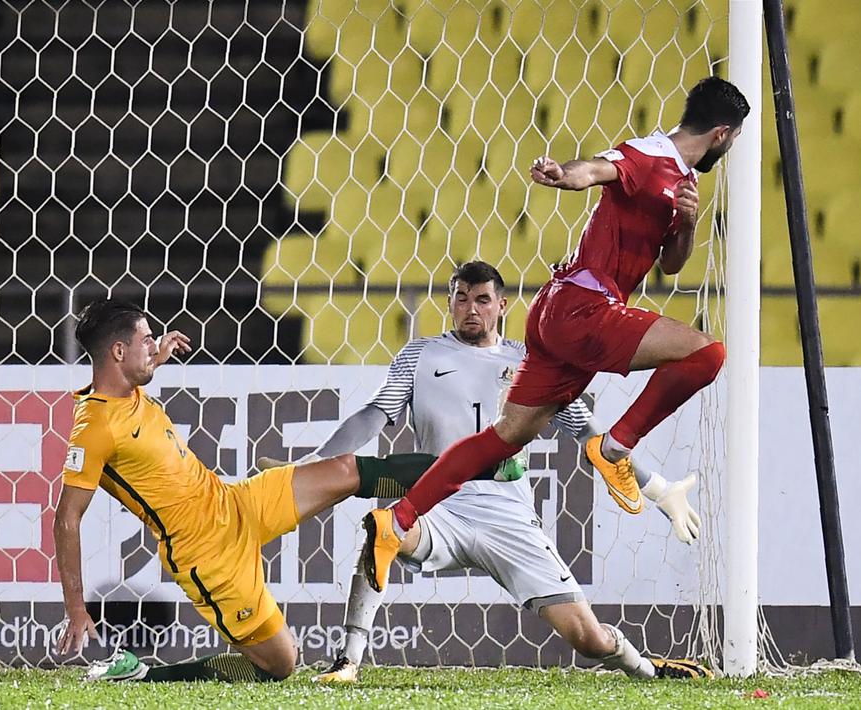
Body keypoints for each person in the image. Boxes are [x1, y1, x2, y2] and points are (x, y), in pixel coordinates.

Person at [360, 77, 749, 595]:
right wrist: (563, 173)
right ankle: (613, 449)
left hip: (557, 311)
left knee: (505, 437)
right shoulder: (649, 154)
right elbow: (596, 170)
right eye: (735, 139)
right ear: (722, 133)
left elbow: (672, 265)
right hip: (582, 308)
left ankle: (400, 519)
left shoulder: (678, 181)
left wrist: (686, 223)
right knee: (708, 354)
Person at [260, 261, 707, 682]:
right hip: (439, 504)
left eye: (481, 300)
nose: (470, 309)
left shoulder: (533, 364)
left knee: (589, 640)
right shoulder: (421, 355)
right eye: (460, 299)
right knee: (383, 531)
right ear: (450, 302)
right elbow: (373, 415)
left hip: (508, 514)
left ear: (502, 305)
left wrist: (655, 487)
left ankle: (647, 669)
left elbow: (592, 437)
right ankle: (347, 662)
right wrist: (311, 464)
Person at [52, 299, 521, 682]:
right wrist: (77, 610)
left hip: (234, 501)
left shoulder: (128, 388)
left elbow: (128, 375)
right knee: (281, 663)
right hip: (206, 553)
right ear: (117, 353)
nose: (155, 345)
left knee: (345, 470)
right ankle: (142, 677)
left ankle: (486, 464)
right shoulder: (94, 427)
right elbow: (67, 517)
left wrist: (154, 358)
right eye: (146, 339)